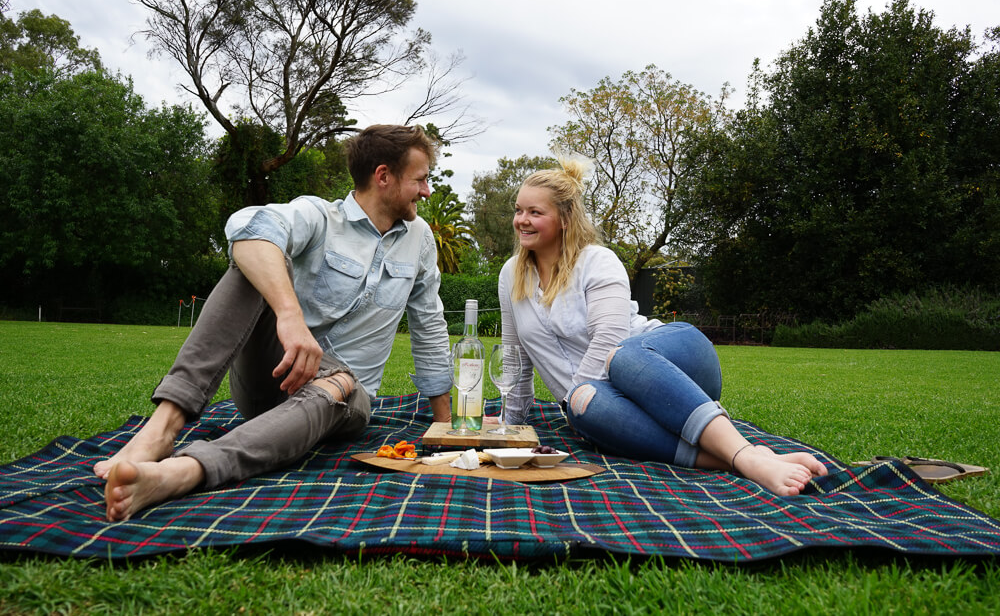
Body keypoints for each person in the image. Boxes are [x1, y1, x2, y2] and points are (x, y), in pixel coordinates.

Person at [97, 124, 454, 521]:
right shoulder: (319, 217)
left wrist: (446, 424)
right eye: (420, 180)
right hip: (275, 377)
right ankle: (161, 429)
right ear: (383, 176)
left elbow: (428, 322)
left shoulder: (419, 238)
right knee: (252, 259)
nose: (426, 191)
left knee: (341, 381)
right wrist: (290, 315)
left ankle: (184, 470)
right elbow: (247, 227)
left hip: (344, 399)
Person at [498, 154, 828, 496]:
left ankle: (744, 454)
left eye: (535, 212)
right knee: (584, 405)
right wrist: (512, 421)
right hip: (608, 395)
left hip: (671, 361)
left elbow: (609, 340)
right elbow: (514, 355)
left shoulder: (597, 261)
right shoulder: (511, 275)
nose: (522, 220)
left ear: (565, 218)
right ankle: (744, 458)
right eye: (519, 210)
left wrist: (575, 401)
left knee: (616, 361)